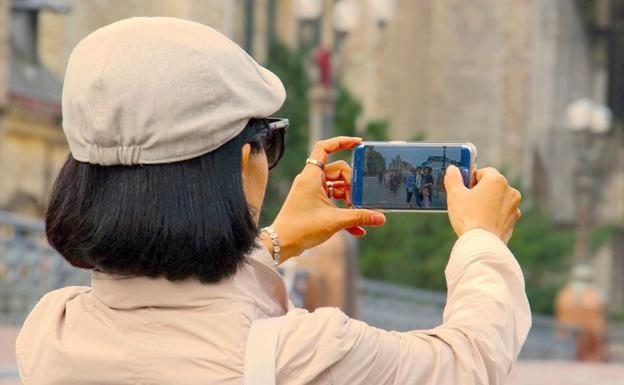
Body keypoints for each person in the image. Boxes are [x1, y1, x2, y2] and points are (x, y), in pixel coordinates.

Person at [16, 18, 530, 385]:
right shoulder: (302, 356)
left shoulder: (50, 330)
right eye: (270, 142)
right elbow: (470, 361)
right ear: (245, 161)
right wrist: (482, 242)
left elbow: (174, 315)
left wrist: (273, 243)